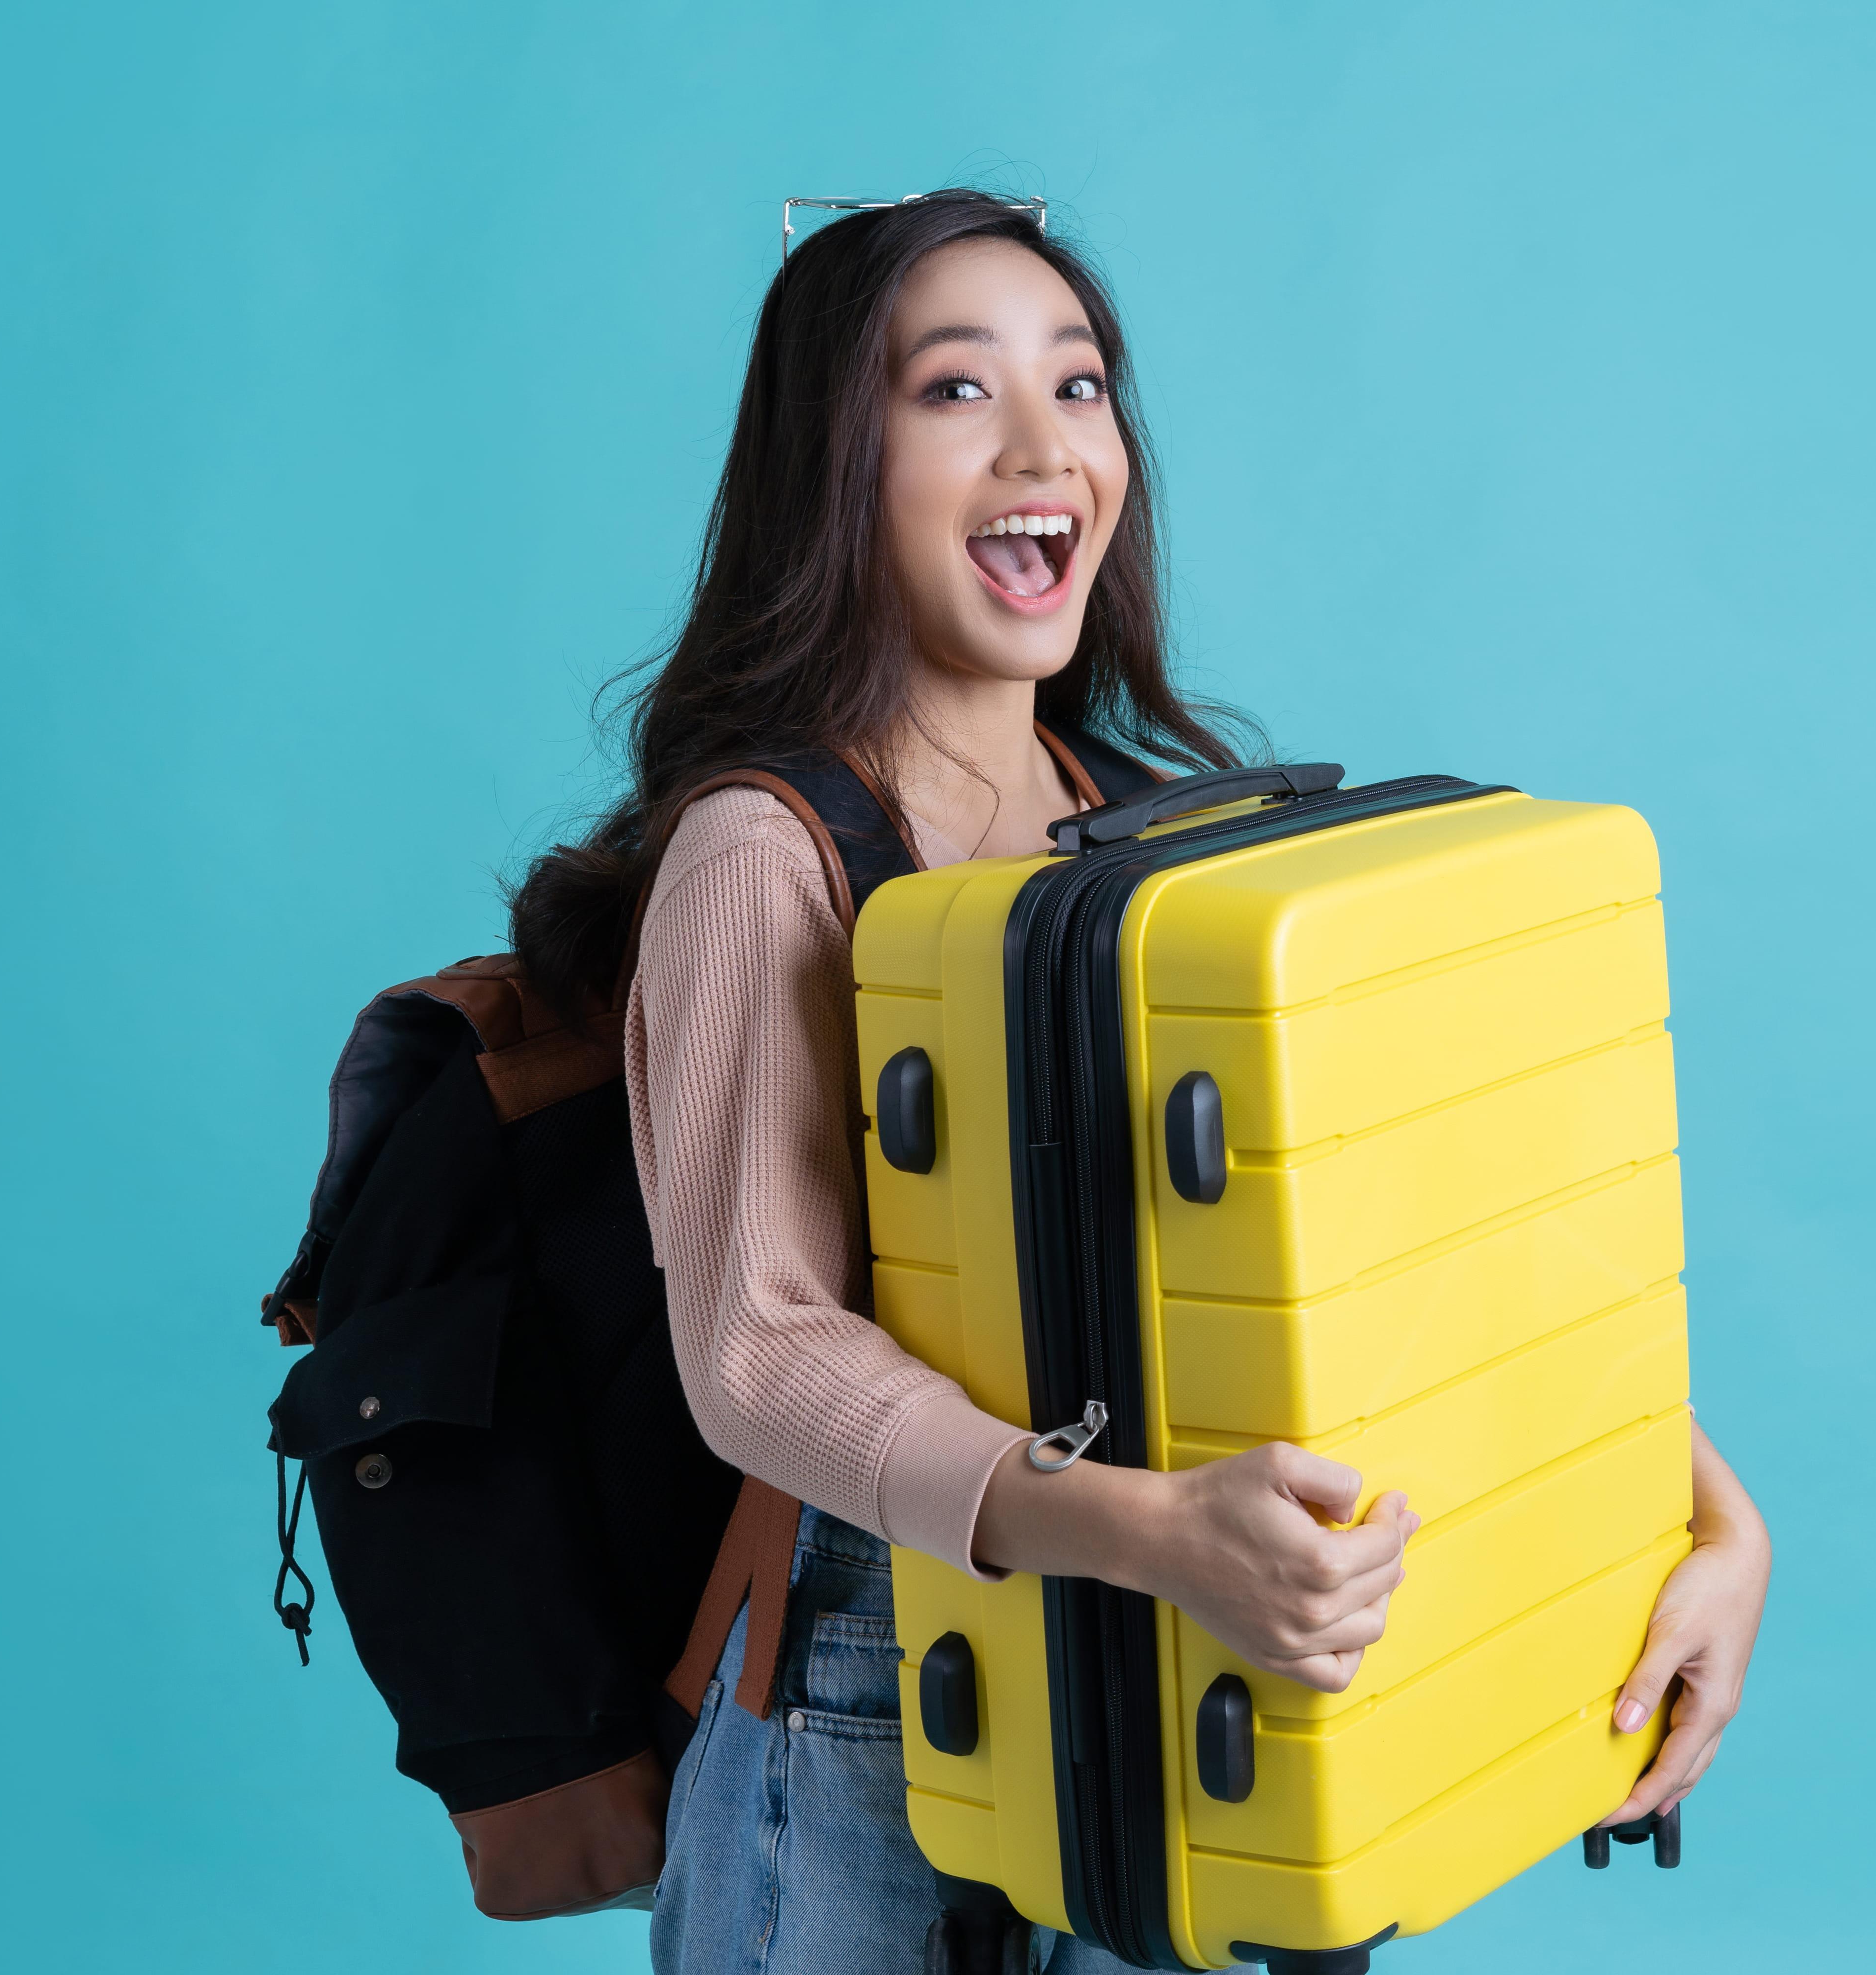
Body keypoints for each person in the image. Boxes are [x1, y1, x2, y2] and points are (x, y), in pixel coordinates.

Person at [506, 191, 1772, 1975]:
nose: (1046, 448)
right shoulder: (761, 855)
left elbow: (1412, 1232)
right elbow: (760, 1354)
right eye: (957, 390)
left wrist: (1714, 1518)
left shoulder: (1162, 839)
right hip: (877, 1689)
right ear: (833, 463)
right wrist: (1149, 1530)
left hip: (1179, 1652)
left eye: (1082, 385)